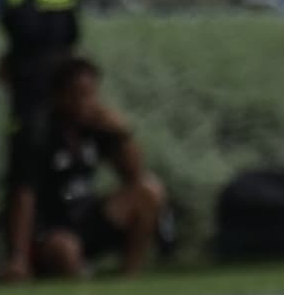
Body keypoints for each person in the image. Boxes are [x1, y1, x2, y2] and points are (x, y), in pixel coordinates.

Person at [23, 56, 172, 278]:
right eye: (79, 95)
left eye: (92, 94)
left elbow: (134, 173)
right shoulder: (43, 135)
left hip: (87, 216)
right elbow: (23, 194)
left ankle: (130, 276)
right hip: (54, 228)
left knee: (148, 191)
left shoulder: (94, 130)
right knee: (66, 249)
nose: (87, 102)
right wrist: (18, 254)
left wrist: (122, 132)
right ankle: (82, 287)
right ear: (60, 96)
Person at [0, 0, 87, 282]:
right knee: (27, 175)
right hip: (38, 96)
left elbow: (19, 25)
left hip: (45, 94)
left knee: (30, 174)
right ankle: (19, 257)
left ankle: (23, 256)